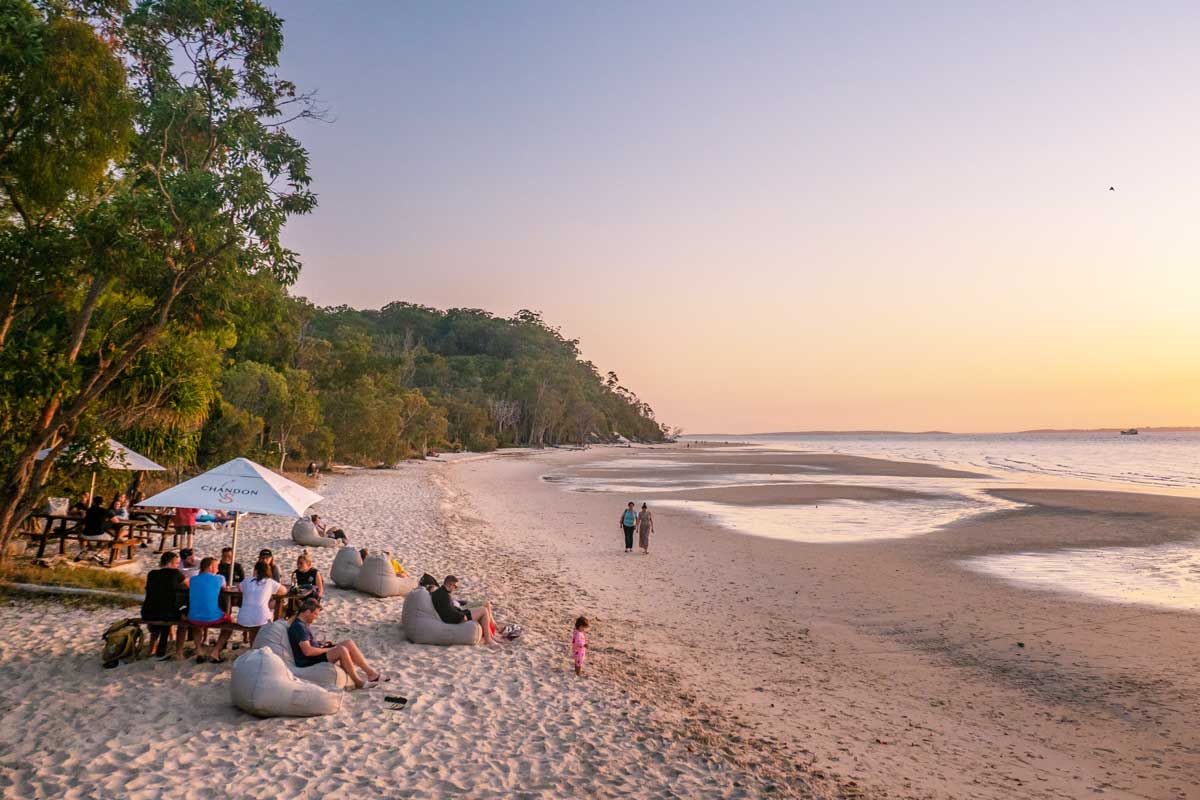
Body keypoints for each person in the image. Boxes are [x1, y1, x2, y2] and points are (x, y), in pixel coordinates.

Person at [287, 598, 383, 690]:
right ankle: (358, 682)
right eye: (315, 614)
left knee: (348, 643)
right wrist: (329, 649)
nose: (316, 617)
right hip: (307, 661)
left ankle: (371, 674)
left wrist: (320, 644)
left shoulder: (301, 624)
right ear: (307, 612)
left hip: (314, 654)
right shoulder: (299, 627)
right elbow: (308, 651)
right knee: (341, 650)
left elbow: (306, 642)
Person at [141, 551, 190, 659]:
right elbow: (188, 585)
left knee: (163, 609)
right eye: (177, 563)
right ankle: (169, 648)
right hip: (167, 613)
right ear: (171, 562)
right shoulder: (176, 573)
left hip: (147, 612)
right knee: (177, 614)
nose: (178, 566)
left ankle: (152, 647)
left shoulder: (152, 574)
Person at [188, 556, 234, 663]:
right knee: (231, 622)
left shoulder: (193, 579)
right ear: (210, 567)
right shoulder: (219, 578)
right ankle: (215, 651)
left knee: (197, 622)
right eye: (216, 567)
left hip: (193, 616)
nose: (217, 569)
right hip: (211, 616)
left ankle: (199, 650)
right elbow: (224, 588)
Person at [431, 575, 500, 645]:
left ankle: (490, 635)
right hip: (458, 616)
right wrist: (462, 616)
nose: (455, 588)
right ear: (450, 584)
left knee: (484, 606)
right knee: (484, 610)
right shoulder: (444, 595)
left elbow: (449, 608)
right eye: (455, 586)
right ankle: (488, 639)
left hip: (459, 610)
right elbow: (448, 612)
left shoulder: (441, 592)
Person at [237, 559, 286, 643]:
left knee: (254, 622)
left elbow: (239, 588)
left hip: (243, 618)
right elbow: (284, 591)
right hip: (261, 618)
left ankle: (253, 645)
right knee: (273, 611)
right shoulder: (270, 582)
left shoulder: (248, 580)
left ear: (255, 571)